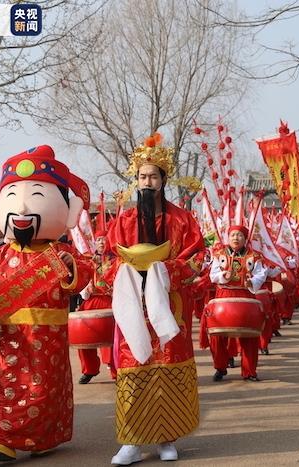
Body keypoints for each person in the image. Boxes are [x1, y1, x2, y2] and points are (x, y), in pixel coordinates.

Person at [0, 145, 93, 462]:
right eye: (12, 197)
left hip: (49, 338)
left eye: (38, 196)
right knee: (8, 384)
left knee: (45, 389)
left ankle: (43, 437)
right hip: (13, 337)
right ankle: (2, 438)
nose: (23, 208)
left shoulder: (59, 253)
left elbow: (81, 280)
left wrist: (69, 267)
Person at [105, 133, 205, 465]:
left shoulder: (183, 220)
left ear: (164, 180)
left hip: (171, 307)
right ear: (137, 180)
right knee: (135, 366)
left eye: (154, 176)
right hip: (135, 306)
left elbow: (196, 260)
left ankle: (167, 437)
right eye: (142, 177)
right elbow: (108, 260)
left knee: (169, 366)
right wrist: (130, 271)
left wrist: (163, 272)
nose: (148, 182)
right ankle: (132, 441)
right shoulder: (124, 220)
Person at [207, 225, 267, 381]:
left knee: (249, 336)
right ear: (228, 237)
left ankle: (249, 371)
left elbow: (261, 274)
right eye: (233, 235)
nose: (236, 238)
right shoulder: (219, 254)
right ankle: (220, 367)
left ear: (245, 238)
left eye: (239, 235)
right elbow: (212, 275)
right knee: (217, 335)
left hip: (246, 295)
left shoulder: (254, 256)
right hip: (224, 296)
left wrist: (252, 282)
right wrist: (223, 275)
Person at [76, 230, 117, 384]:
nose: (101, 242)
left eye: (104, 239)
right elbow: (81, 281)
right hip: (91, 302)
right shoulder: (88, 260)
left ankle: (115, 370)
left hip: (109, 301)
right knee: (83, 337)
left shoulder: (116, 260)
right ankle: (89, 369)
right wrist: (85, 288)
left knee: (112, 338)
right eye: (98, 239)